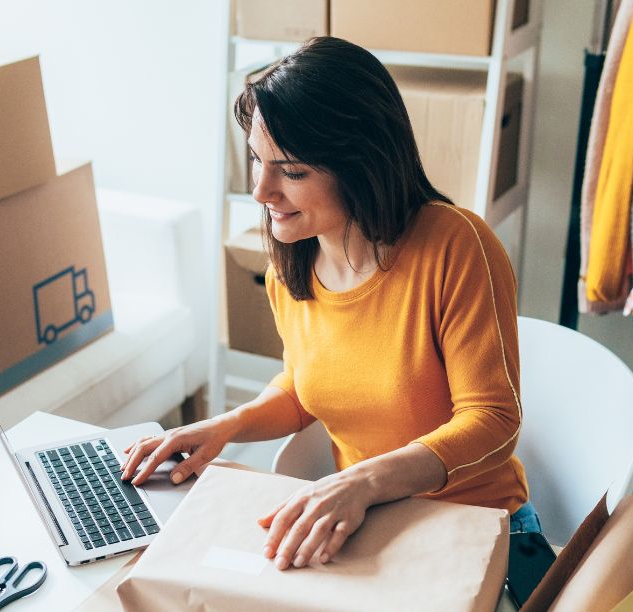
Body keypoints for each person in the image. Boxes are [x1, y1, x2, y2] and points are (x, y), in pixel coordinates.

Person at [122, 36, 531, 570]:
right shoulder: (288, 270)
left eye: (292, 172)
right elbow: (304, 389)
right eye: (257, 160)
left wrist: (359, 482)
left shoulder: (456, 246)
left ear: (361, 166)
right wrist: (226, 427)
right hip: (369, 521)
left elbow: (494, 421)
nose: (262, 191)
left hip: (472, 526)